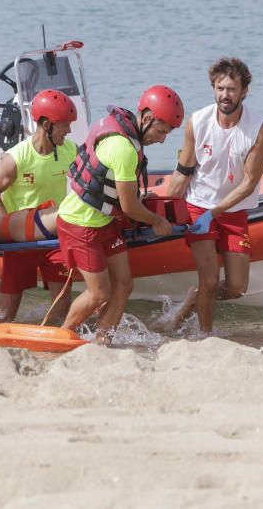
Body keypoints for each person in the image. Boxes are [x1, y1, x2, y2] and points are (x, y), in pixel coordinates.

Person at [58, 85, 183, 345]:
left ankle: (103, 342)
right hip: (80, 224)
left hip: (104, 221)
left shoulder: (124, 132)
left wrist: (140, 202)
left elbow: (122, 195)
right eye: (161, 131)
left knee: (124, 284)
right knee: (99, 292)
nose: (162, 139)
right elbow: (129, 208)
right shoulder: (124, 148)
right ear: (146, 118)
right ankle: (62, 338)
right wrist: (157, 220)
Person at [164, 57, 263, 334]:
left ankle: (191, 300)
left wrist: (216, 212)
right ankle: (205, 335)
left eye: (231, 89)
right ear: (213, 88)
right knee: (210, 281)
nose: (225, 95)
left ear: (244, 91)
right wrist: (163, 210)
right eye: (220, 88)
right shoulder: (197, 122)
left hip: (232, 211)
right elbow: (184, 170)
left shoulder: (259, 128)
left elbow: (249, 183)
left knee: (236, 287)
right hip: (198, 207)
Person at [0, 89, 79, 323]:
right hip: (21, 238)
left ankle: (47, 340)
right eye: (64, 125)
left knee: (63, 302)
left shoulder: (70, 150)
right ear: (46, 124)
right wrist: (7, 230)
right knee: (6, 312)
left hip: (55, 237)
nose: (69, 130)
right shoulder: (16, 157)